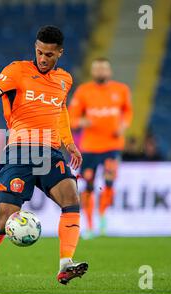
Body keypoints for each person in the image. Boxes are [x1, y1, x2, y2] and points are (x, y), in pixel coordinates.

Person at [0, 25, 88, 285]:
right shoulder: (16, 70)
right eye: (39, 52)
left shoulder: (65, 80)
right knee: (4, 218)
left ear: (59, 53)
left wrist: (69, 143)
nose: (43, 58)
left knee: (72, 197)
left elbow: (60, 111)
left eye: (49, 54)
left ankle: (65, 265)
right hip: (19, 151)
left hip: (50, 151)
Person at [69, 57, 133, 238]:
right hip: (90, 147)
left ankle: (103, 215)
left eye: (103, 69)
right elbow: (71, 118)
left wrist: (123, 125)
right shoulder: (83, 91)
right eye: (97, 69)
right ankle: (89, 226)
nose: (100, 72)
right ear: (92, 72)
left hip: (113, 145)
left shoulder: (121, 90)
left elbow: (128, 111)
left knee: (109, 183)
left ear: (109, 71)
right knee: (88, 185)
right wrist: (82, 121)